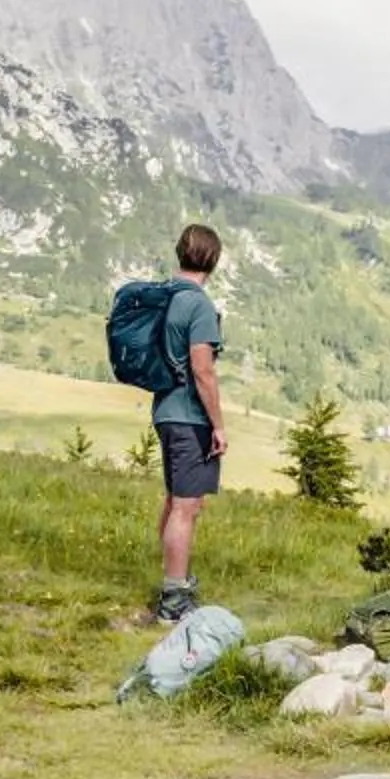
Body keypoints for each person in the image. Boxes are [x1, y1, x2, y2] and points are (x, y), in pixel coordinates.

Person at [150, 223, 229, 621]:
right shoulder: (197, 304)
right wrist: (217, 424)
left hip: (165, 411)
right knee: (186, 507)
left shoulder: (164, 297)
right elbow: (203, 370)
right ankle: (173, 600)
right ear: (213, 260)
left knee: (173, 502)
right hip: (189, 417)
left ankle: (171, 580)